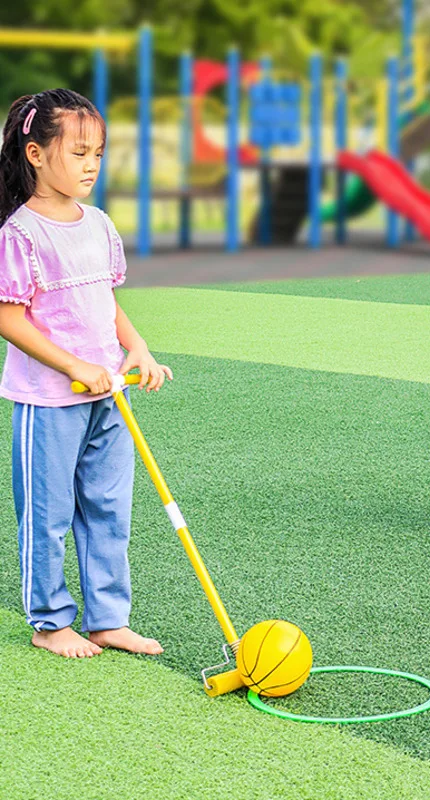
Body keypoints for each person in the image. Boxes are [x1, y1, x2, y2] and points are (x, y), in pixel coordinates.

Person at [0, 89, 172, 657]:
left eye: (98, 153)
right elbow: (9, 317)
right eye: (78, 153)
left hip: (109, 397)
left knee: (106, 508)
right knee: (47, 516)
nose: (92, 165)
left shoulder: (97, 223)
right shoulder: (19, 233)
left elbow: (106, 302)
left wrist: (138, 349)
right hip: (49, 400)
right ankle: (49, 622)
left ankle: (107, 618)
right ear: (35, 154)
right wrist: (75, 365)